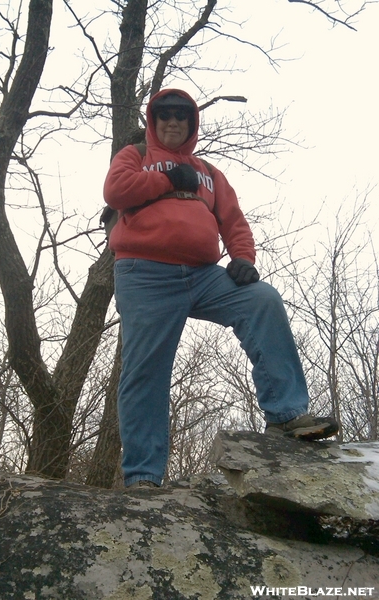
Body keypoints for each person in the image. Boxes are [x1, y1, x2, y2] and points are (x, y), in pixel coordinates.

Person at [103, 88, 338, 490]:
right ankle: (143, 475)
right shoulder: (135, 156)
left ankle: (285, 416)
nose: (173, 121)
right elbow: (116, 191)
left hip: (203, 273)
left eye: (181, 116)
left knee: (261, 299)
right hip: (145, 273)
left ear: (192, 124)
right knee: (146, 368)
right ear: (153, 121)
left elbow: (234, 221)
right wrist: (164, 179)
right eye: (165, 115)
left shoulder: (209, 173)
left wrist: (243, 259)